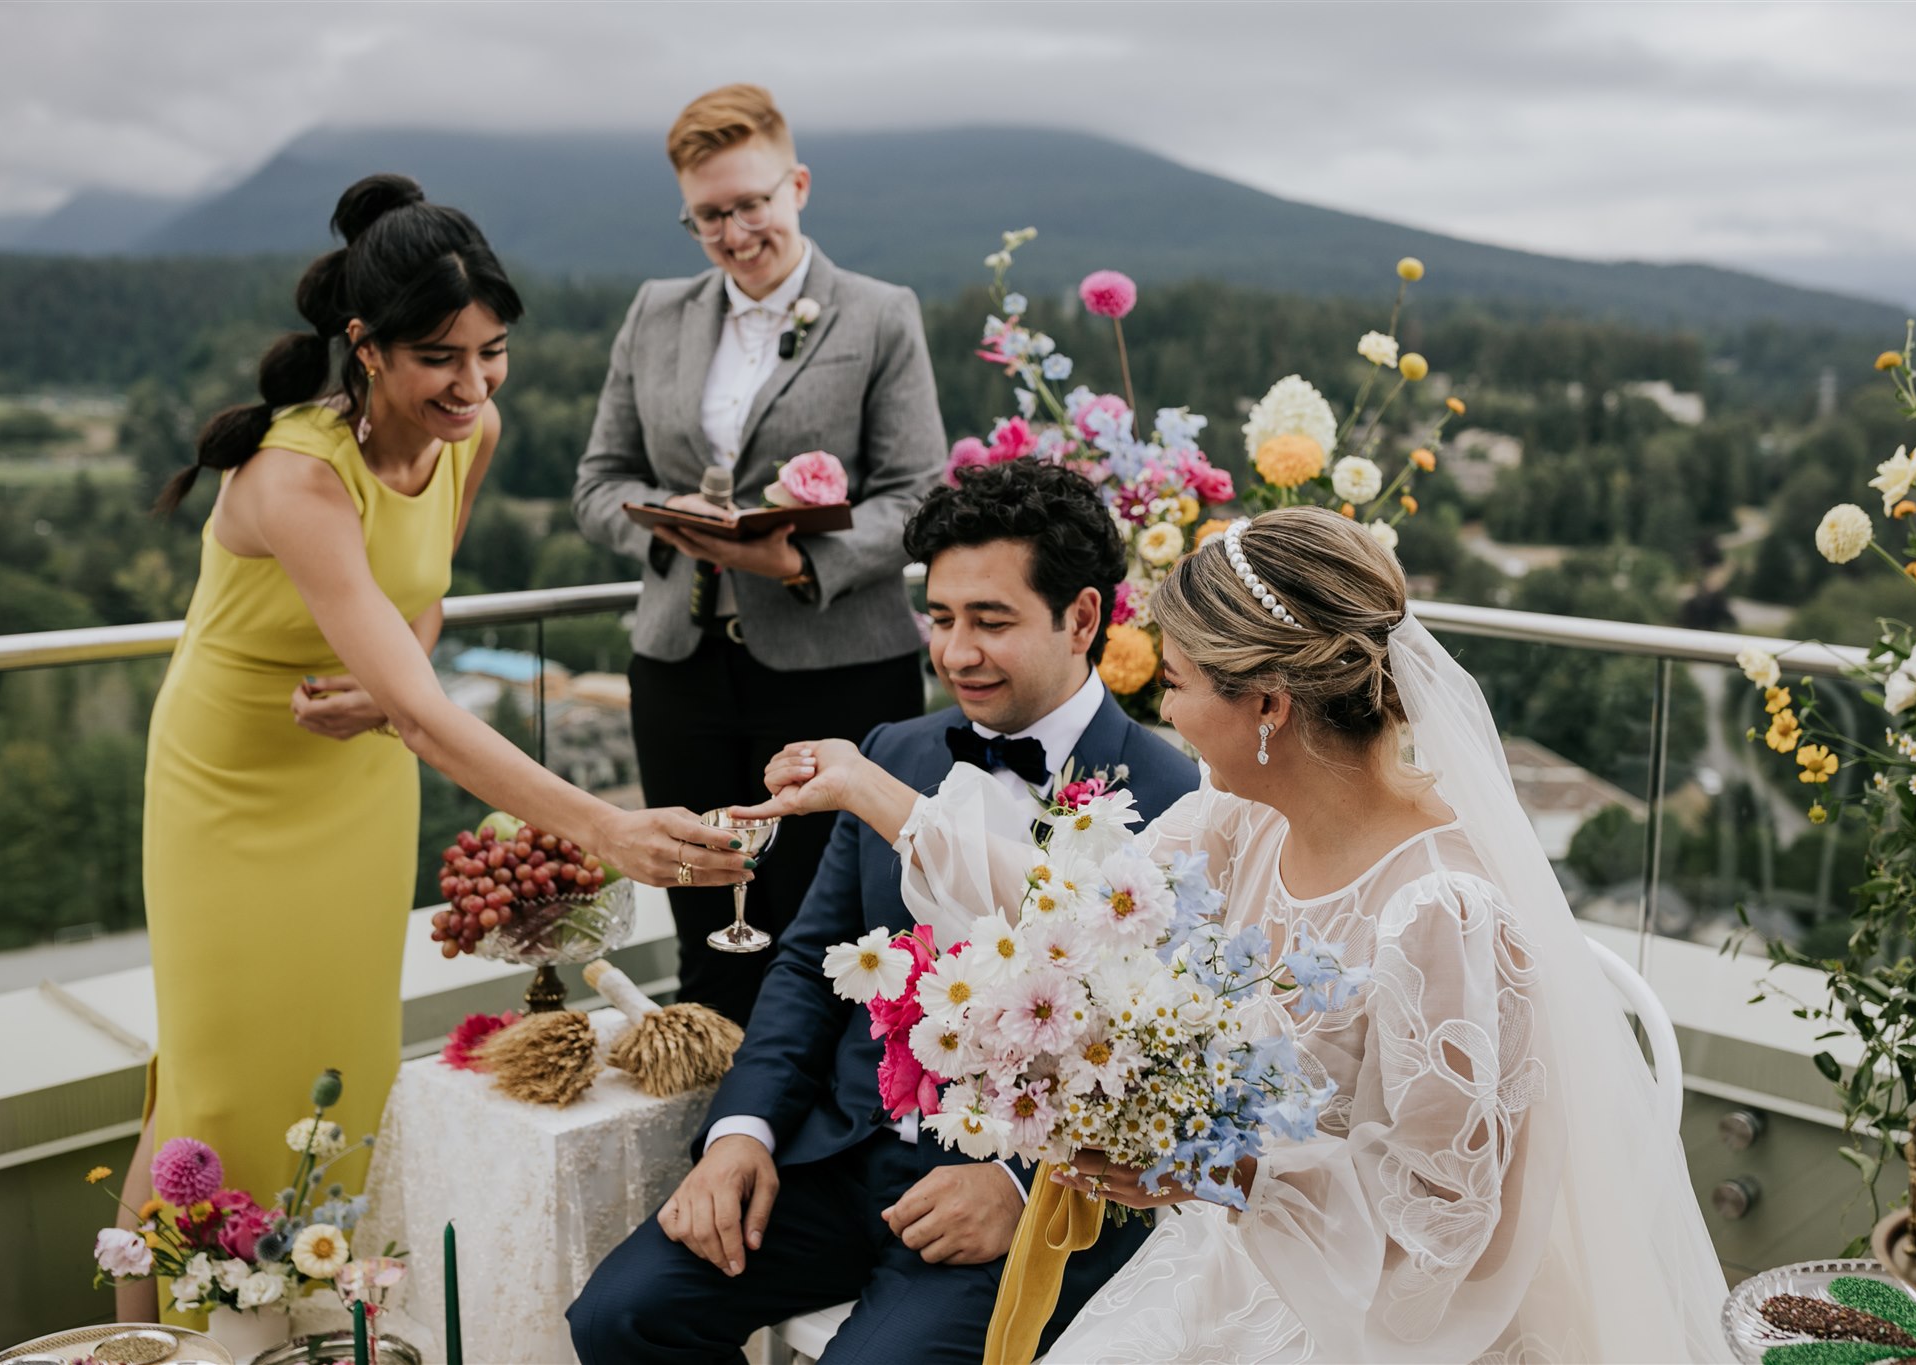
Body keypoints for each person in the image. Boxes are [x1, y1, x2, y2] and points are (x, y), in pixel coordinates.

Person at [735, 506, 1731, 1362]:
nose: (1161, 711)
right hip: (1240, 1256)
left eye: (1174, 683)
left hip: (1381, 1321)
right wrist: (876, 797)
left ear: (1265, 703)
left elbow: (1443, 1229)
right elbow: (1073, 914)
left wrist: (1208, 1166)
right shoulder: (1235, 820)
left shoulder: (1443, 914)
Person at [128, 175, 748, 1322]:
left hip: (354, 777)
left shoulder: (469, 436)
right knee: (213, 1082)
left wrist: (377, 697)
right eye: (439, 360)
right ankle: (159, 1343)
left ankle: (296, 1332)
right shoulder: (295, 476)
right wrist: (605, 823)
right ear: (364, 349)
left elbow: (418, 609)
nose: (472, 386)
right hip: (229, 779)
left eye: (492, 352)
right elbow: (425, 705)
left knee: (341, 1061)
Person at [568, 461, 1202, 1364]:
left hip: (1018, 1191)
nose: (955, 653)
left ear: (1085, 618)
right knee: (619, 1313)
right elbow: (807, 961)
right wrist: (739, 1134)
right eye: (941, 619)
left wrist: (1021, 1186)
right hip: (838, 1157)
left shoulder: (1176, 800)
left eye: (991, 620)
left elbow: (1160, 1056)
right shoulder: (893, 749)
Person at [572, 83, 944, 1026]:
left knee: (837, 925)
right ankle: (720, 1132)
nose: (736, 232)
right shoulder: (654, 313)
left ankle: (831, 1142)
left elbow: (920, 495)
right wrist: (665, 523)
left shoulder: (879, 314)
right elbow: (598, 482)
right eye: (709, 217)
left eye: (751, 204)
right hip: (680, 671)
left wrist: (803, 565)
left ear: (798, 186)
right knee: (706, 914)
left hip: (840, 669)